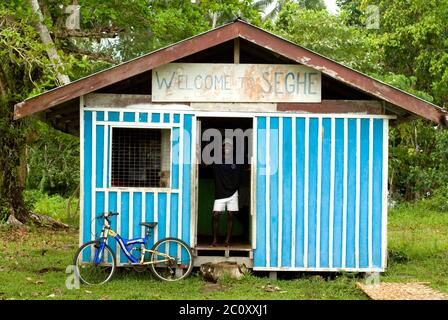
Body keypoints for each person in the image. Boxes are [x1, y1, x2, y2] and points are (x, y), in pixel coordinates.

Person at [211, 138, 241, 247]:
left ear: (232, 148)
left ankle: (227, 241)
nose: (227, 147)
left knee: (230, 215)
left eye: (229, 146)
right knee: (215, 215)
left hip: (233, 192)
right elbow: (204, 164)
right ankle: (215, 240)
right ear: (222, 148)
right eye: (225, 146)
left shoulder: (237, 160)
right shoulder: (216, 160)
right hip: (220, 192)